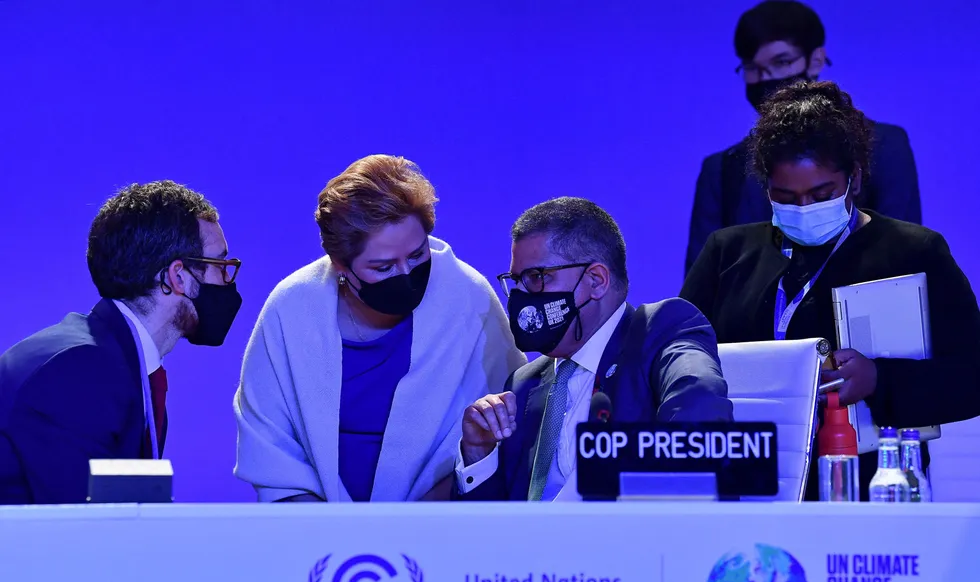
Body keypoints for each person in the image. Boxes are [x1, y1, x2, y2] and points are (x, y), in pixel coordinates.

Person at [680, 80, 980, 501]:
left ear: (854, 179)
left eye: (821, 194)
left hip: (867, 486)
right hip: (744, 484)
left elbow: (972, 374)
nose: (803, 209)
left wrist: (880, 378)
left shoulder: (914, 252)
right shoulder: (727, 252)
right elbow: (679, 358)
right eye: (785, 196)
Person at [234, 155, 525, 503]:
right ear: (341, 266)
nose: (404, 274)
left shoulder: (468, 298)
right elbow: (270, 444)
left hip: (440, 528)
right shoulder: (291, 309)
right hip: (308, 535)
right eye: (383, 267)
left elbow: (509, 423)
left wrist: (414, 526)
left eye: (417, 256)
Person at [454, 197, 733, 501]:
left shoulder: (660, 330)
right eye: (517, 281)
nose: (522, 297)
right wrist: (478, 453)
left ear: (596, 280)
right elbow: (487, 530)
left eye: (536, 278)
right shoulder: (523, 384)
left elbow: (700, 414)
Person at [0, 181, 243, 504]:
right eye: (220, 266)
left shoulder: (114, 362)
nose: (227, 281)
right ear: (178, 277)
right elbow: (86, 534)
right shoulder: (78, 372)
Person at [684, 0, 921, 275]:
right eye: (752, 67)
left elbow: (903, 258)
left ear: (816, 60)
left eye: (781, 62)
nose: (765, 78)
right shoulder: (722, 169)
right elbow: (699, 291)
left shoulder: (884, 145)